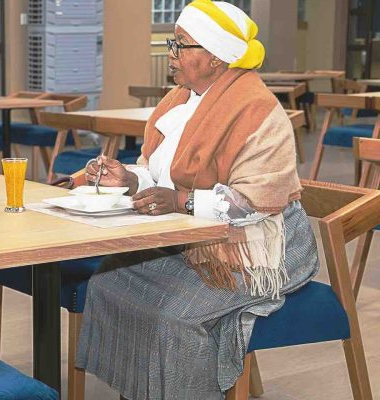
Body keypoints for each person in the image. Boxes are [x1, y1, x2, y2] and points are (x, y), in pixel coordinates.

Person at [75, 1, 318, 399]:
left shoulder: (257, 110)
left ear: (217, 58)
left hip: (262, 248)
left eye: (181, 46)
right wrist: (130, 180)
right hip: (199, 240)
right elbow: (158, 172)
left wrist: (182, 201)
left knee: (173, 314)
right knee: (108, 281)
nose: (171, 55)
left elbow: (257, 201)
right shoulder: (179, 100)